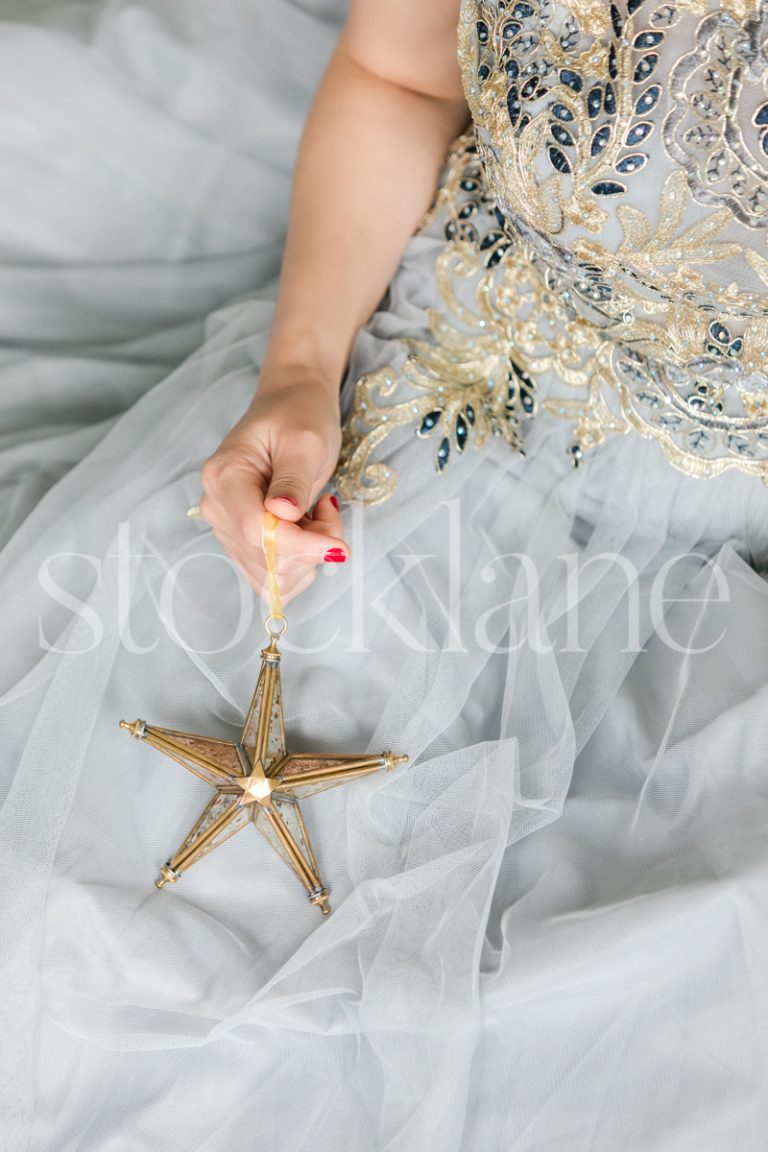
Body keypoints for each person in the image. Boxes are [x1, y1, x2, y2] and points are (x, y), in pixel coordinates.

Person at [2, 0, 768, 1148]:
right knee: (88, 932)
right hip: (421, 391)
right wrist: (299, 376)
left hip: (707, 564)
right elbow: (401, 76)